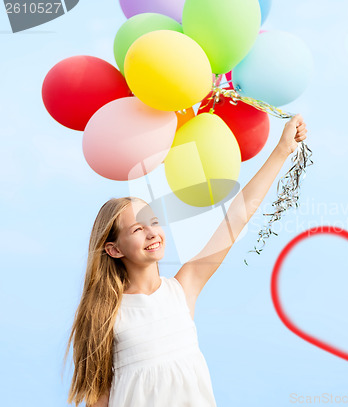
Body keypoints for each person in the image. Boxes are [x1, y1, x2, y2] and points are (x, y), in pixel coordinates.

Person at [64, 114, 308, 407]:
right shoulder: (106, 313)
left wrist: (281, 151)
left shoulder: (183, 287)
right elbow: (97, 398)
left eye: (153, 222)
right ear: (115, 249)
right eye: (138, 229)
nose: (152, 233)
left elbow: (237, 217)